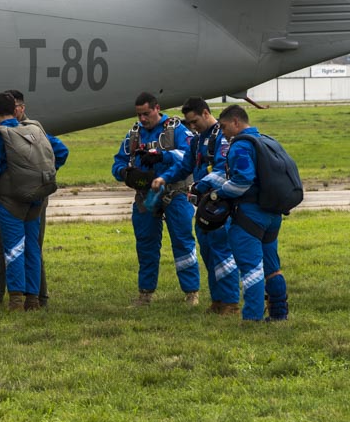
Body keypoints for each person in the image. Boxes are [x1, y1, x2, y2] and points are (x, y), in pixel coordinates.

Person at [0, 89, 68, 308]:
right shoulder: (35, 130)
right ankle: (33, 299)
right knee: (32, 247)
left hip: (11, 202)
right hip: (37, 200)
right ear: (16, 110)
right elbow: (61, 151)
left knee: (13, 248)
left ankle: (15, 300)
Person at [199, 105, 289, 322]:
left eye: (224, 126)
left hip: (250, 216)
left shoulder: (240, 146)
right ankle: (279, 314)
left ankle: (252, 318)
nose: (222, 131)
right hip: (272, 214)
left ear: (236, 122)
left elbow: (242, 181)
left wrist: (217, 194)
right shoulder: (265, 141)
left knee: (250, 269)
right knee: (272, 267)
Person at [151, 98, 240, 315]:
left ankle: (230, 303)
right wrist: (164, 178)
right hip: (203, 205)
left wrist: (200, 184)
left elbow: (222, 170)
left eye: (194, 121)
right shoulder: (198, 141)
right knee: (208, 252)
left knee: (222, 254)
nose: (192, 127)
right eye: (188, 123)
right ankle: (217, 300)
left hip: (219, 204)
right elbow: (184, 166)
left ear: (206, 113)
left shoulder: (222, 138)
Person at [111, 92, 200, 307]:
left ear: (157, 108)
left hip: (176, 192)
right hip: (146, 195)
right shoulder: (133, 134)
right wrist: (124, 173)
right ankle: (145, 294)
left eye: (147, 113)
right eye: (139, 114)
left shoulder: (176, 128)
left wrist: (163, 156)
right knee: (146, 244)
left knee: (182, 240)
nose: (143, 119)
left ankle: (191, 293)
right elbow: (118, 162)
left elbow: (190, 154)